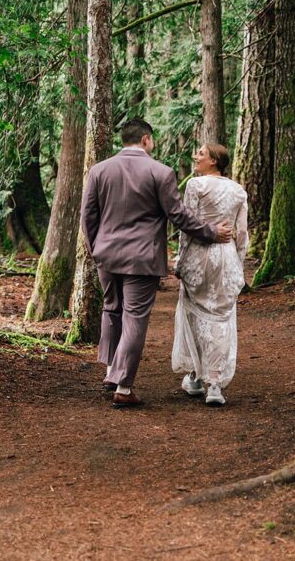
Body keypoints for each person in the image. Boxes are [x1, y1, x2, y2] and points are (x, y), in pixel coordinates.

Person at [80, 119, 234, 408]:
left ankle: (112, 372)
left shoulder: (99, 170)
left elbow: (88, 214)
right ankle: (123, 388)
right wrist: (212, 232)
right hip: (142, 257)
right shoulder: (160, 172)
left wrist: (94, 249)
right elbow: (178, 215)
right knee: (134, 317)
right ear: (146, 140)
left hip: (106, 256)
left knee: (112, 309)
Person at [172, 143, 248, 406]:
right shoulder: (238, 191)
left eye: (201, 154)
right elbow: (242, 235)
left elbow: (186, 227)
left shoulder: (196, 185)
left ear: (214, 161)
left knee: (193, 314)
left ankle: (194, 376)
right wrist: (238, 265)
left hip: (199, 255)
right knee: (220, 318)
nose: (196, 156)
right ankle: (214, 384)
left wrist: (180, 261)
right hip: (226, 259)